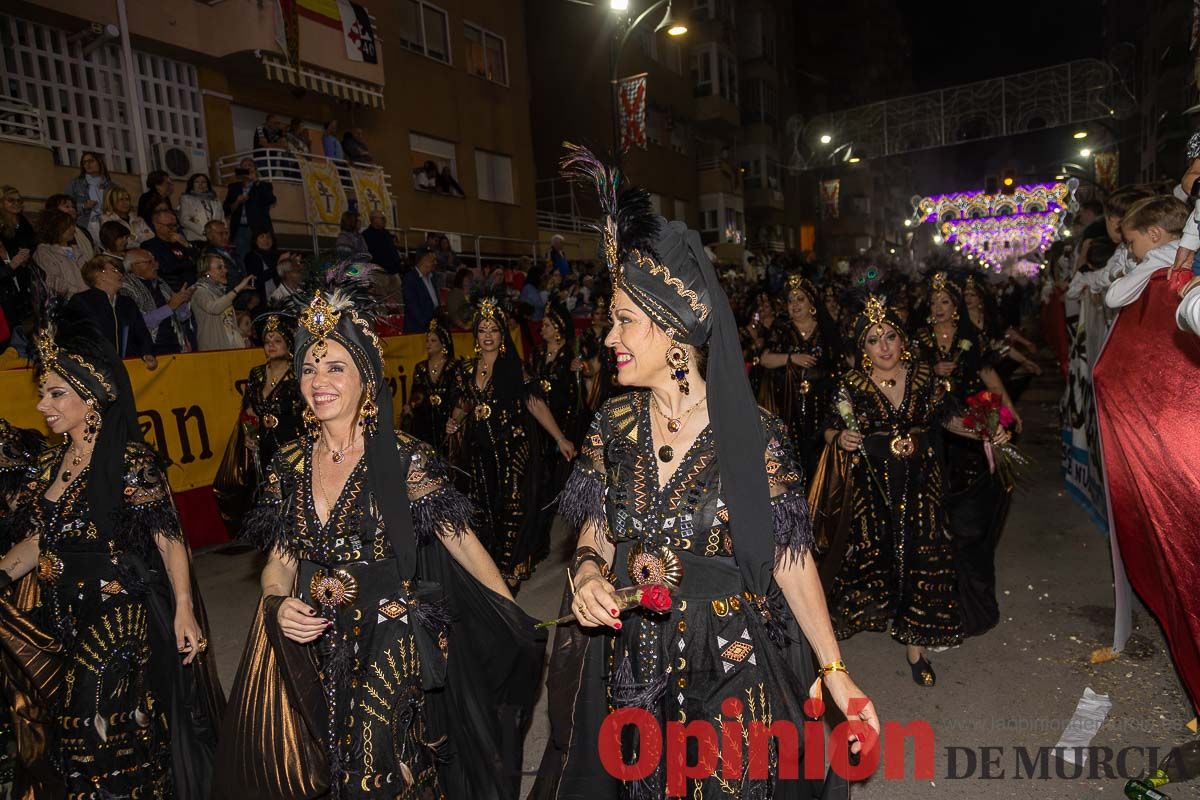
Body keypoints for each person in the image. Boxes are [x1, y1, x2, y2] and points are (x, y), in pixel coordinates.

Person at [531, 147, 876, 798]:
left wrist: (836, 671)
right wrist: (584, 574)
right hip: (633, 663)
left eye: (624, 320)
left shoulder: (754, 437)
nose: (609, 338)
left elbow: (790, 562)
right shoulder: (611, 425)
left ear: (677, 329)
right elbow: (597, 531)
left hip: (731, 665)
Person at [213, 275, 545, 799]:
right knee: (325, 770)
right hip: (315, 638)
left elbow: (459, 541)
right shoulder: (288, 463)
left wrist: (510, 614)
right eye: (309, 367)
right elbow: (279, 560)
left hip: (390, 635)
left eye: (335, 367)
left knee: (379, 773)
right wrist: (276, 601)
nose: (318, 379)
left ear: (366, 378)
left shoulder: (403, 456)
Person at [0, 310, 223, 797]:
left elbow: (168, 538)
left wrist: (184, 609)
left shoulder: (130, 460)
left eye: (56, 394)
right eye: (42, 393)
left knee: (92, 725)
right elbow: (41, 536)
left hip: (117, 613)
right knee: (78, 731)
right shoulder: (47, 462)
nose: (42, 405)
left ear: (93, 398)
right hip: (61, 614)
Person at [814, 295, 1000, 686]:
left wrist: (986, 428)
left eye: (889, 337)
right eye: (872, 339)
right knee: (876, 553)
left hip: (921, 481)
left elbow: (950, 419)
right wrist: (841, 436)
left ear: (903, 341)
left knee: (923, 551)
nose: (883, 346)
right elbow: (827, 427)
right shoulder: (850, 384)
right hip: (873, 485)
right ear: (862, 348)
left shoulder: (924, 378)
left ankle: (916, 645)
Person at [913, 272, 1020, 637]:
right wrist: (931, 371)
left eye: (945, 302)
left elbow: (989, 375)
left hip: (970, 435)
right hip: (935, 434)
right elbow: (906, 381)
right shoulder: (919, 341)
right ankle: (942, 602)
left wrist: (1009, 408)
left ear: (955, 306)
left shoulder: (969, 337)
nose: (939, 309)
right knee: (940, 520)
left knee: (971, 522)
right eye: (933, 303)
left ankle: (973, 602)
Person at [446, 298, 575, 586]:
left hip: (514, 450)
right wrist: (454, 420)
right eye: (483, 330)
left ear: (502, 335)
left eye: (494, 329)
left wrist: (560, 437)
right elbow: (465, 404)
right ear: (476, 336)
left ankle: (507, 569)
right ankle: (489, 568)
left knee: (513, 507)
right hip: (481, 454)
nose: (488, 335)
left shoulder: (515, 368)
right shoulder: (465, 370)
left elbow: (535, 404)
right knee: (485, 508)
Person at [213, 312, 302, 530]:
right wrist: (250, 435)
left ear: (288, 344)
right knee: (267, 493)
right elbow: (249, 409)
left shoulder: (299, 374)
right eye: (267, 342)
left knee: (294, 495)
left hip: (293, 443)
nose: (271, 346)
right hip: (264, 446)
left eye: (277, 341)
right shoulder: (257, 374)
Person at [759, 275, 842, 476]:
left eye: (800, 299)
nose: (795, 304)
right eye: (790, 300)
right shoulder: (782, 329)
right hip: (789, 403)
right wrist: (791, 358)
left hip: (822, 402)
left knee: (819, 454)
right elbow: (765, 359)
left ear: (811, 303)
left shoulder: (825, 329)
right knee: (793, 454)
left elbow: (839, 363)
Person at [67, 257, 156, 368]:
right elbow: (75, 338)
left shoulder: (127, 303)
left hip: (128, 368)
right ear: (99, 276)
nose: (120, 274)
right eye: (114, 270)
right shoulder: (82, 301)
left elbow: (142, 332)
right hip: (96, 369)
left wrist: (147, 352)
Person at [403, 317, 461, 457]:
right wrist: (411, 405)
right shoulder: (420, 368)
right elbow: (416, 394)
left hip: (447, 420)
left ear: (444, 344)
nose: (428, 344)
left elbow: (458, 395)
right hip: (425, 421)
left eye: (433, 341)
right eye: (427, 340)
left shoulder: (454, 366)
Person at [120, 247, 194, 355]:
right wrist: (170, 307)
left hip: (174, 346)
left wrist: (182, 301)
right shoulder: (125, 287)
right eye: (149, 262)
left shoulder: (161, 283)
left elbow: (183, 317)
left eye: (154, 261)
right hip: (150, 350)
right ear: (133, 266)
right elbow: (139, 324)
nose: (156, 265)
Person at [191, 252, 253, 351]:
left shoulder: (220, 292)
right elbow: (214, 308)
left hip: (230, 348)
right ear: (206, 272)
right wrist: (237, 289)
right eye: (220, 268)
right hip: (212, 351)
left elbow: (229, 323)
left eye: (224, 267)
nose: (225, 270)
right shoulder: (199, 291)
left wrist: (241, 340)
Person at [223, 158, 276, 264]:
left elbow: (270, 200)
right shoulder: (234, 187)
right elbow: (226, 210)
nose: (247, 167)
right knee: (243, 259)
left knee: (263, 258)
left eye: (250, 165)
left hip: (259, 229)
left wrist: (256, 181)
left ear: (255, 169)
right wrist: (237, 202)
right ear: (240, 171)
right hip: (240, 230)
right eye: (244, 166)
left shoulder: (264, 185)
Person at [34, 210, 89, 298]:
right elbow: (52, 281)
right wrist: (76, 293)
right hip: (70, 301)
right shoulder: (44, 252)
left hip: (86, 297)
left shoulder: (77, 250)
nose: (72, 229)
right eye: (66, 227)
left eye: (72, 225)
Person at [143, 208, 198, 290]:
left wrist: (186, 244)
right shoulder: (150, 246)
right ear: (157, 226)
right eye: (169, 226)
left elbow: (199, 262)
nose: (174, 228)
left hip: (194, 285)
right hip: (173, 289)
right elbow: (166, 269)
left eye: (175, 225)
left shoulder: (180, 242)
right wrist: (190, 262)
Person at [65, 151, 113, 232]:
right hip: (84, 225)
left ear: (99, 162)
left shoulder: (111, 186)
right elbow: (65, 206)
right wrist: (83, 206)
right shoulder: (75, 184)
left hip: (108, 226)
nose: (87, 164)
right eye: (84, 162)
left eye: (91, 161)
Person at [43, 194, 95, 261]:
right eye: (67, 207)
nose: (72, 209)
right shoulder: (50, 233)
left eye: (73, 207)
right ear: (54, 210)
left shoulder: (83, 231)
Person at [179, 173, 225, 244]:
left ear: (207, 185)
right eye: (197, 182)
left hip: (215, 238)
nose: (200, 184)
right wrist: (204, 231)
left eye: (203, 182)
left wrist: (223, 232)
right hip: (197, 238)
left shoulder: (216, 200)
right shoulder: (186, 198)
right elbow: (184, 220)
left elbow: (222, 219)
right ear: (192, 184)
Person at [402, 249, 440, 333]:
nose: (435, 263)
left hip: (432, 327)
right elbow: (412, 306)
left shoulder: (433, 277)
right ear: (423, 260)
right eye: (433, 260)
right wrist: (427, 324)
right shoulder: (410, 278)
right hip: (417, 329)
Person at [362, 209, 404, 276]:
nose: (384, 220)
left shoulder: (386, 233)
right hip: (379, 272)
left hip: (393, 271)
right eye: (382, 218)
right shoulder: (366, 235)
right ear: (374, 219)